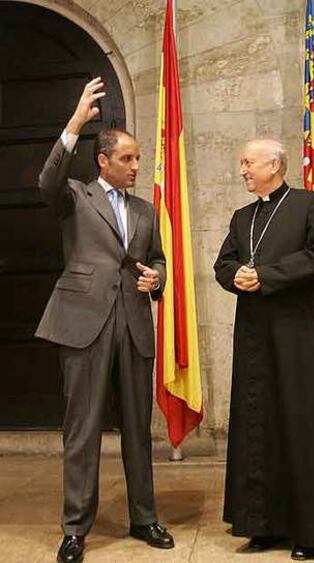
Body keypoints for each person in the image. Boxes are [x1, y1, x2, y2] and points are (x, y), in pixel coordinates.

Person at [36, 78, 174, 563]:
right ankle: (75, 528)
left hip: (133, 324)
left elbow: (156, 261)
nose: (137, 166)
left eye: (138, 159)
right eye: (128, 159)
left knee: (138, 428)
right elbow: (46, 182)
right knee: (83, 428)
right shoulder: (74, 195)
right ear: (104, 160)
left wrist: (155, 280)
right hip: (83, 322)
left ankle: (145, 517)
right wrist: (75, 122)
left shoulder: (144, 210)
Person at [214, 139, 314, 561]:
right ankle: (262, 525)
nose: (242, 169)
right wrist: (236, 275)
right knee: (258, 423)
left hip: (297, 333)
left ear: (274, 165)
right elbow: (224, 263)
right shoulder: (242, 217)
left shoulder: (310, 205)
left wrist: (266, 276)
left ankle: (312, 533)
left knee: (301, 423)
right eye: (242, 162)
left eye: (248, 162)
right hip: (254, 335)